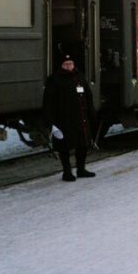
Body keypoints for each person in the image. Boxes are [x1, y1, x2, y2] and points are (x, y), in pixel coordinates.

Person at [42, 54, 96, 182]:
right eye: (66, 64)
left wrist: (91, 113)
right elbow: (48, 102)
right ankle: (67, 172)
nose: (68, 66)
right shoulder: (54, 79)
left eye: (70, 63)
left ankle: (81, 169)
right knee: (64, 147)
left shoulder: (80, 77)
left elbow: (88, 95)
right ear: (61, 66)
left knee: (82, 145)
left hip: (80, 118)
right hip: (63, 120)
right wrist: (51, 123)